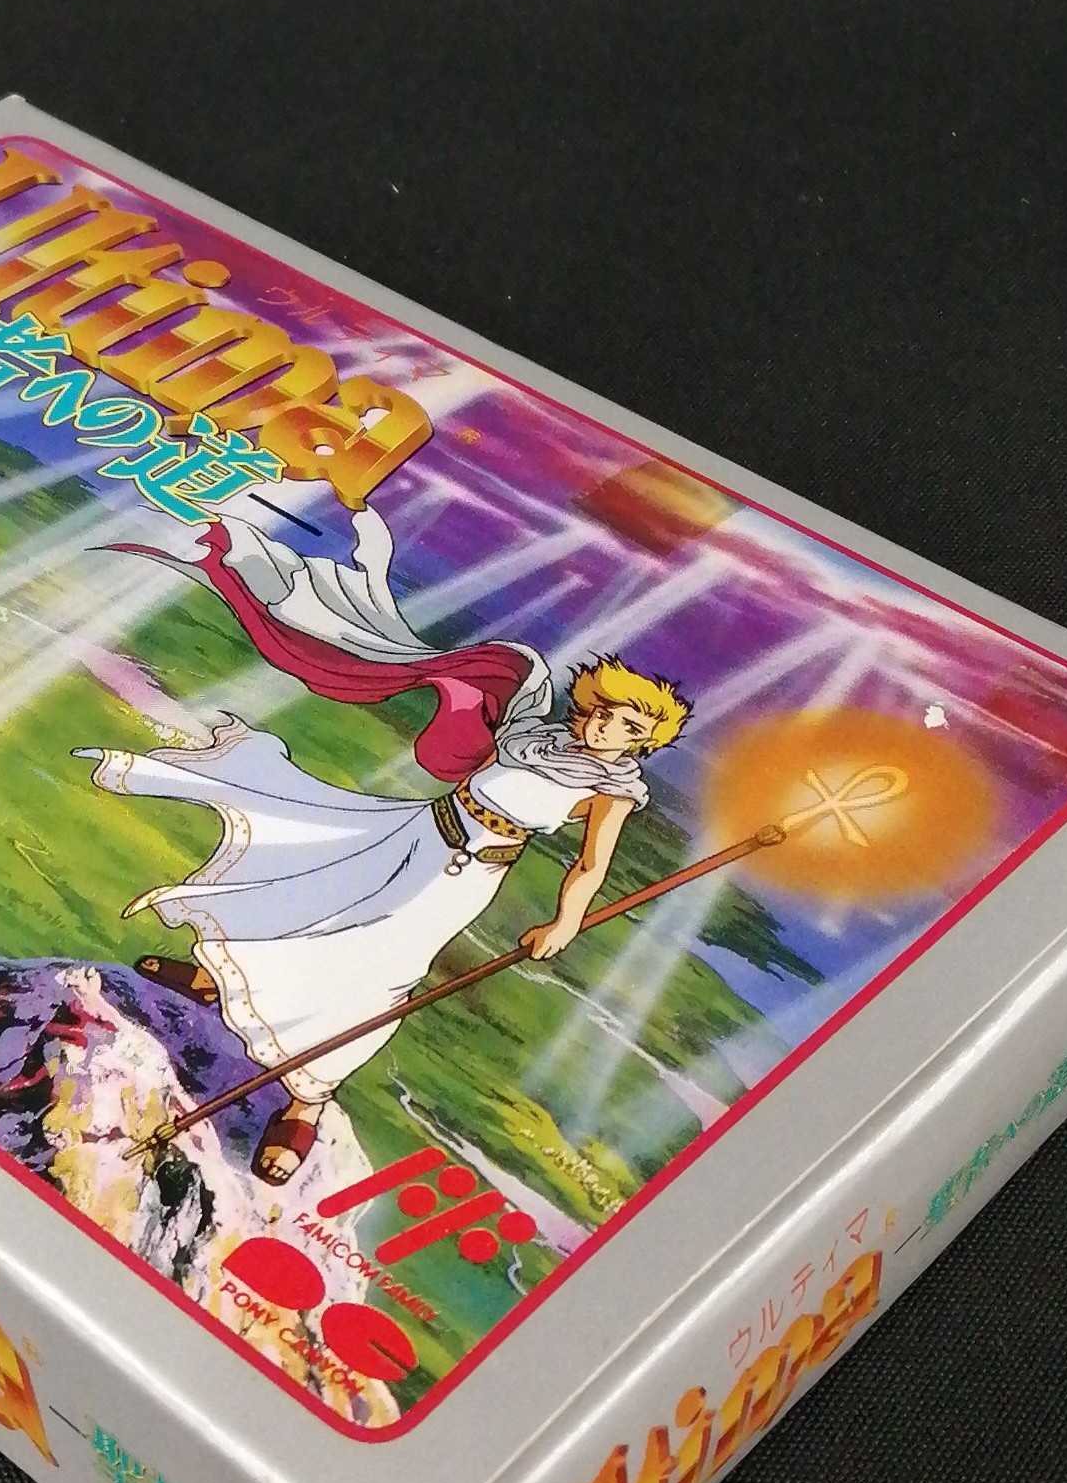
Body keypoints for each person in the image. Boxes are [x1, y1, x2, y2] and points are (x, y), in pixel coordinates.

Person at [77, 488, 689, 1183]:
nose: (609, 728)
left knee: (381, 970)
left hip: (463, 873)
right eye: (607, 712)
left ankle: (307, 1100)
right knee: (313, 894)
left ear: (644, 742)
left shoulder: (611, 789)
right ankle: (222, 981)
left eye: (630, 728)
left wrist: (565, 922)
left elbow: (591, 865)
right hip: (417, 829)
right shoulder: (533, 735)